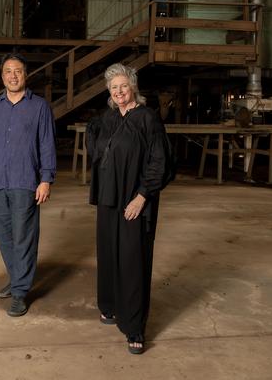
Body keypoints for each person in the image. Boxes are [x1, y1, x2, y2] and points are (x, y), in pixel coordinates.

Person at [87, 62, 171, 355]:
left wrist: (142, 195)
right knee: (109, 253)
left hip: (134, 200)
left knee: (133, 261)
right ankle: (109, 306)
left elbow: (160, 161)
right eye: (114, 87)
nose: (119, 91)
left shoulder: (148, 119)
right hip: (109, 200)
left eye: (124, 85)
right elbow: (98, 149)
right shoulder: (108, 118)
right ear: (109, 92)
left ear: (133, 86)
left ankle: (134, 326)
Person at [0, 54, 57, 317]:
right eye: (8, 71)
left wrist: (46, 179)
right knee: (3, 235)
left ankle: (20, 292)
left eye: (18, 71)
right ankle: (17, 276)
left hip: (25, 181)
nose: (13, 76)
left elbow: (46, 143)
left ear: (25, 74)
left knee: (24, 237)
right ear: (2, 77)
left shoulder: (39, 107)